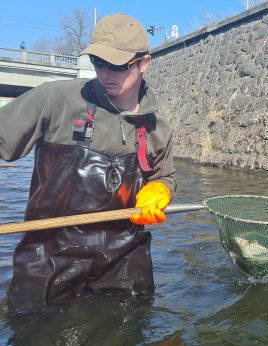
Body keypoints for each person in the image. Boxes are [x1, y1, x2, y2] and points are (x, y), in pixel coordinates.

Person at [0, 13, 175, 313]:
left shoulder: (158, 126)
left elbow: (165, 176)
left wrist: (158, 190)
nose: (105, 72)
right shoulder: (54, 99)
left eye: (117, 65)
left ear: (144, 63)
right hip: (49, 257)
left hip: (123, 262)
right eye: (98, 62)